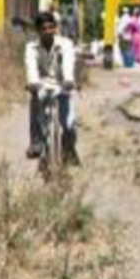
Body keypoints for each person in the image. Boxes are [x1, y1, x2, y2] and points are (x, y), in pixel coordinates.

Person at [24, 11, 80, 165]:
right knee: (36, 102)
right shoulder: (31, 47)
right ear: (38, 30)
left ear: (56, 28)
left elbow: (69, 63)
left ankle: (69, 148)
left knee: (68, 124)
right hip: (42, 84)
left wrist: (69, 80)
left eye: (51, 27)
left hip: (62, 85)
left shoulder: (66, 44)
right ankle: (36, 141)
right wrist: (33, 82)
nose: (48, 31)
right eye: (44, 28)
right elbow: (31, 67)